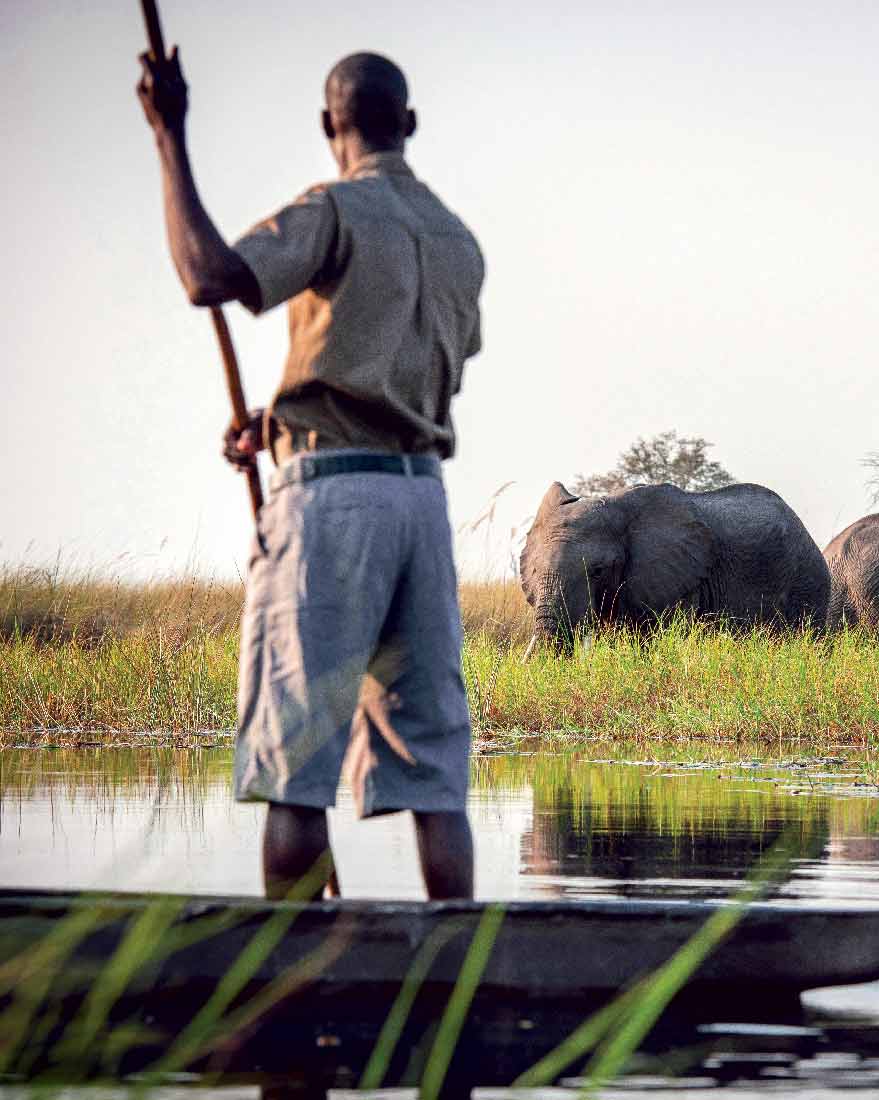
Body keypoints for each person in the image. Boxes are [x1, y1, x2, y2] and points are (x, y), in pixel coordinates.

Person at [137, 47, 484, 901]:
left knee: (295, 763)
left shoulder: (334, 208)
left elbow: (207, 277)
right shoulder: (457, 240)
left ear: (331, 126)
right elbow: (396, 375)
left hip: (333, 506)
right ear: (407, 123)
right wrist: (276, 424)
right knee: (434, 775)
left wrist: (168, 137)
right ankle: (461, 973)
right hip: (420, 505)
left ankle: (289, 997)